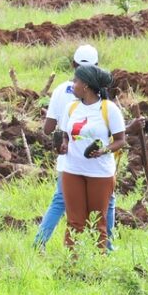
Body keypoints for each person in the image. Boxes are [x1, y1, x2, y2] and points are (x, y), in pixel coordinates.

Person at [34, 45, 118, 249]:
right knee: (106, 204)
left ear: (73, 64)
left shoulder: (61, 90)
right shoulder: (103, 96)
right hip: (93, 163)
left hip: (69, 161)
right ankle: (107, 247)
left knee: (62, 203)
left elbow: (48, 129)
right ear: (97, 67)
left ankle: (41, 242)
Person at [51, 64, 125, 252]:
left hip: (99, 173)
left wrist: (104, 150)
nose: (72, 84)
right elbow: (66, 134)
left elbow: (120, 140)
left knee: (97, 223)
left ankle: (97, 268)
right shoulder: (72, 107)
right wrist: (63, 145)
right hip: (72, 170)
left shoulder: (109, 109)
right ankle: (71, 267)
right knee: (74, 222)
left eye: (75, 81)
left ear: (86, 85)